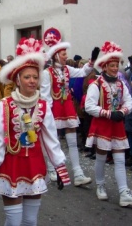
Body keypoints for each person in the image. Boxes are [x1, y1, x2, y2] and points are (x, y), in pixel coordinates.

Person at [0, 36, 70, 226]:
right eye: (27, 77)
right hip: (11, 165)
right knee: (14, 221)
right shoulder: (3, 106)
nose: (32, 81)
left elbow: (51, 140)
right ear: (17, 80)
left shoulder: (44, 106)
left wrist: (60, 167)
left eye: (35, 77)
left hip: (35, 165)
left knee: (30, 222)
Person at [85, 41, 132, 207]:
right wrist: (109, 113)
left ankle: (124, 192)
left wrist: (123, 112)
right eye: (111, 65)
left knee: (119, 158)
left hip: (117, 125)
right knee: (101, 157)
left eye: (117, 65)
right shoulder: (96, 85)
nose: (115, 68)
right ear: (104, 66)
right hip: (102, 125)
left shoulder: (121, 84)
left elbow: (129, 102)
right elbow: (89, 106)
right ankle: (100, 185)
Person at [40, 28, 96, 186]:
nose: (66, 57)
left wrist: (91, 62)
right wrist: (47, 114)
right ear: (56, 55)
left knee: (72, 141)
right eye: (64, 54)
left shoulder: (67, 69)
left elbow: (82, 72)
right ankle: (52, 168)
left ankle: (78, 173)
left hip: (67, 107)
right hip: (54, 109)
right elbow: (45, 95)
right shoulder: (47, 73)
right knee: (53, 140)